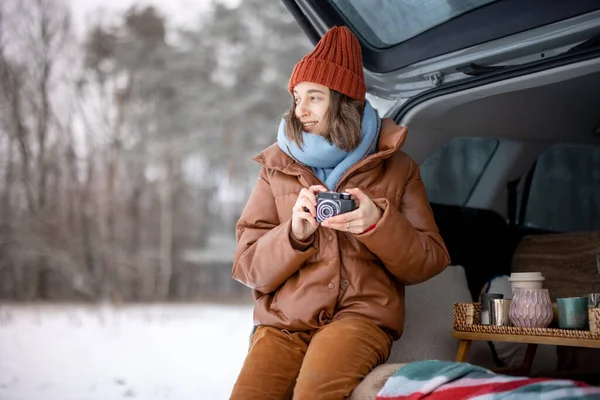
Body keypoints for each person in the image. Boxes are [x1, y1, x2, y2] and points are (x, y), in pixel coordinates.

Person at [230, 26, 450, 400]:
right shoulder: (276, 168)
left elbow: (429, 261)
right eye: (297, 97)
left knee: (315, 394)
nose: (300, 111)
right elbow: (248, 268)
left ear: (345, 100)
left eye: (314, 97)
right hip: (283, 325)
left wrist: (377, 225)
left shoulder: (398, 167)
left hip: (361, 319)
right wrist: (293, 235)